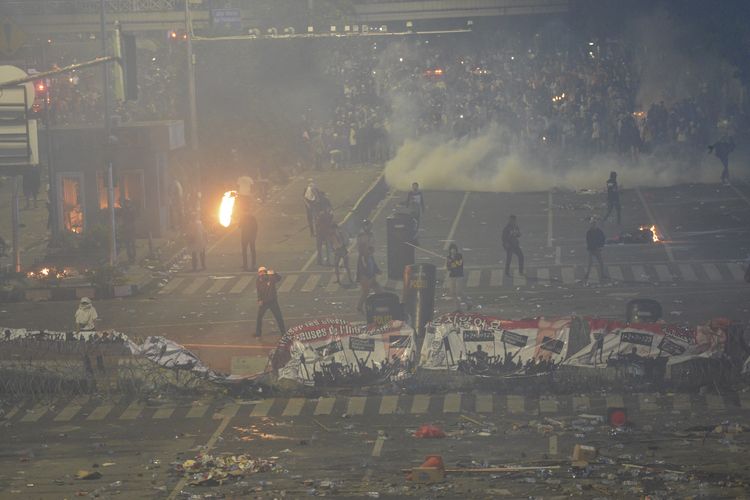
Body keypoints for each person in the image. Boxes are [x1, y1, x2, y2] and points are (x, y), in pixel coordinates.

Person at [255, 267, 286, 338]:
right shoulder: (258, 281)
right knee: (259, 317)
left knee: (278, 317)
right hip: (264, 302)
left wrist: (274, 273)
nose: (262, 274)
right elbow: (259, 291)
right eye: (260, 273)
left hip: (272, 301)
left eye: (263, 272)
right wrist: (259, 299)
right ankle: (258, 332)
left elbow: (279, 278)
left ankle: (283, 332)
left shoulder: (271, 278)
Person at [356, 245, 382, 313]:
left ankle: (378, 306)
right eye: (372, 250)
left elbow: (374, 265)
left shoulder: (371, 256)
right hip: (365, 278)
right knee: (366, 292)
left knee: (379, 291)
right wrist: (367, 278)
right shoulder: (363, 258)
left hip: (372, 277)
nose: (373, 252)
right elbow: (363, 269)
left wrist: (378, 271)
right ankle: (360, 306)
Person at [446, 243, 470, 311]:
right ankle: (457, 307)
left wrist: (452, 261)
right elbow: (448, 268)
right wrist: (448, 263)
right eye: (451, 249)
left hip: (459, 275)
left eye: (454, 249)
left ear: (456, 250)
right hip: (452, 276)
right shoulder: (448, 257)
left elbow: (460, 264)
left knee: (459, 291)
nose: (453, 251)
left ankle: (468, 303)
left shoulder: (459, 256)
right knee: (452, 292)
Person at [584, 218, 607, 282]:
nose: (593, 225)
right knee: (591, 263)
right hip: (592, 249)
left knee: (600, 262)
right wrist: (599, 246)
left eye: (594, 224)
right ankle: (588, 274)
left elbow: (603, 238)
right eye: (592, 224)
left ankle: (602, 274)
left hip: (595, 249)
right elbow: (588, 241)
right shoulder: (591, 232)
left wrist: (600, 246)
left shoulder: (594, 231)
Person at [239, 206, 258, 271]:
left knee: (244, 251)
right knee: (253, 251)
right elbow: (256, 227)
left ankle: (245, 265)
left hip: (244, 237)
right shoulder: (252, 217)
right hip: (251, 237)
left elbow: (239, 226)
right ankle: (253, 265)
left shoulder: (242, 218)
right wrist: (254, 236)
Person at [120, 198, 137, 265]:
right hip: (126, 229)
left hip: (132, 228)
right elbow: (123, 218)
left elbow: (134, 218)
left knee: (132, 243)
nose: (127, 204)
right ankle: (129, 256)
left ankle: (133, 256)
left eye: (128, 203)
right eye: (126, 203)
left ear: (130, 203)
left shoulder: (132, 209)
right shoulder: (123, 210)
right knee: (127, 244)